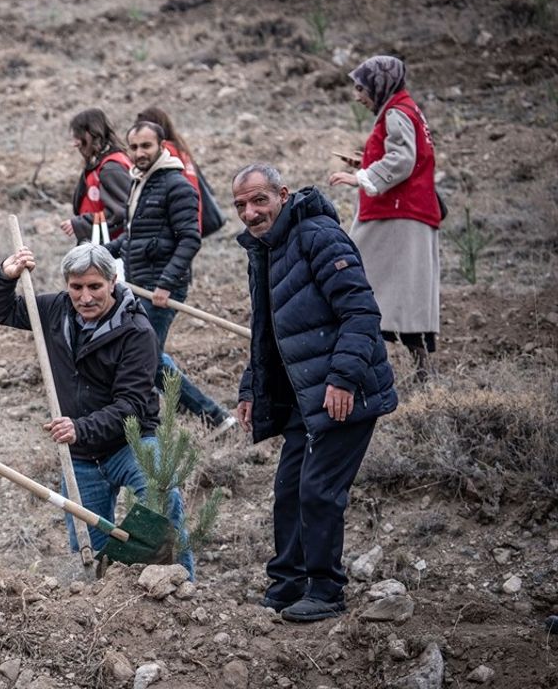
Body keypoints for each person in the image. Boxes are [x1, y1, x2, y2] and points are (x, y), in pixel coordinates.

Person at [232, 164, 398, 622]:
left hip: (346, 392)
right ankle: (288, 583)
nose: (250, 212)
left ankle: (325, 591)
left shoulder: (318, 237)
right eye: (241, 205)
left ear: (283, 195)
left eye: (259, 200)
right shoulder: (266, 250)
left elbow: (362, 313)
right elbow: (267, 331)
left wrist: (343, 379)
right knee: (289, 490)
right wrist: (251, 387)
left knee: (319, 491)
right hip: (304, 397)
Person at [0, 242, 194, 577]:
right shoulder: (56, 309)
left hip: (132, 443)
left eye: (95, 286)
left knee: (161, 500)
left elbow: (131, 405)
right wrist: (5, 275)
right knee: (91, 551)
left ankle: (181, 587)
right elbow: (5, 311)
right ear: (67, 285)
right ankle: (100, 605)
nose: (85, 297)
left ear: (113, 282)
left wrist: (80, 427)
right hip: (81, 456)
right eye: (76, 287)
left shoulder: (137, 332)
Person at [106, 120, 234, 432]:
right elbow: (136, 236)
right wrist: (101, 252)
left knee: (145, 359)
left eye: (146, 146)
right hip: (141, 283)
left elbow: (191, 238)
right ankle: (209, 417)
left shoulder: (176, 185)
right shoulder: (141, 182)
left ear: (162, 146)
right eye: (134, 147)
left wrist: (166, 284)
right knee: (147, 356)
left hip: (161, 288)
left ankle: (214, 417)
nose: (139, 153)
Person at [328, 55, 441, 382]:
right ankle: (418, 374)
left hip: (396, 218)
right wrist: (365, 162)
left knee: (358, 283)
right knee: (404, 296)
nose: (358, 96)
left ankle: (363, 370)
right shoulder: (407, 109)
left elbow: (403, 159)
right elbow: (409, 156)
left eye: (362, 87)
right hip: (404, 214)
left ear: (380, 85)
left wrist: (361, 177)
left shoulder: (395, 113)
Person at [59, 109, 132, 244]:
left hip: (112, 249)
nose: (75, 143)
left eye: (78, 135)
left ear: (92, 133)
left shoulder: (111, 168)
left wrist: (80, 224)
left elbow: (120, 213)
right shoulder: (100, 164)